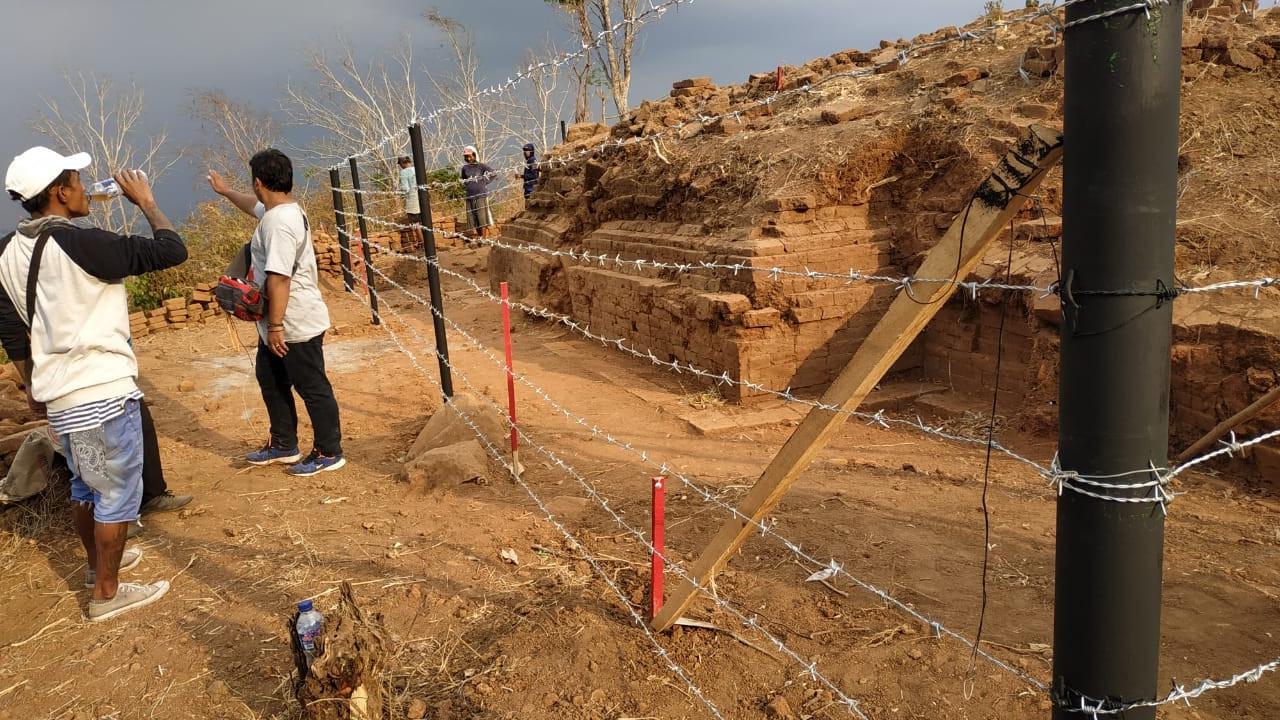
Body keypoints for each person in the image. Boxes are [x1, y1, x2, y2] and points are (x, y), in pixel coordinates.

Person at [0, 146, 188, 621]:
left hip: (64, 398)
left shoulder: (7, 252)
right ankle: (107, 593)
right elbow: (172, 249)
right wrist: (146, 202)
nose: (86, 189)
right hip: (102, 394)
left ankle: (95, 569)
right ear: (60, 193)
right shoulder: (82, 244)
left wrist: (31, 384)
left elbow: (12, 328)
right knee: (116, 495)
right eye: (78, 182)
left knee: (87, 487)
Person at [207, 150, 345, 477]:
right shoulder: (280, 210)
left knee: (311, 386)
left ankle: (329, 451)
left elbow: (279, 278)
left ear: (258, 182)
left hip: (293, 322)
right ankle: (284, 444)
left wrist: (277, 327)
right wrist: (226, 191)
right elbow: (252, 206)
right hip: (278, 321)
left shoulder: (278, 224)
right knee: (270, 378)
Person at [460, 145, 494, 238]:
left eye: (470, 156)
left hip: (480, 195)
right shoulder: (465, 168)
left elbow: (493, 173)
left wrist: (485, 182)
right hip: (470, 195)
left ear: (474, 155)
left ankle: (484, 238)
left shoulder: (481, 166)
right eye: (466, 157)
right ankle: (477, 237)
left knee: (481, 217)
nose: (468, 158)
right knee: (472, 217)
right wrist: (468, 185)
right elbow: (463, 179)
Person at [397, 156, 424, 250]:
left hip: (412, 200)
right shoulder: (418, 169)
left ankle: (421, 242)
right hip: (422, 198)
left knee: (415, 223)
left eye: (400, 164)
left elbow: (405, 188)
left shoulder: (403, 172)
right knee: (423, 221)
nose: (400, 166)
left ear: (402, 163)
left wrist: (399, 190)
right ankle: (427, 241)